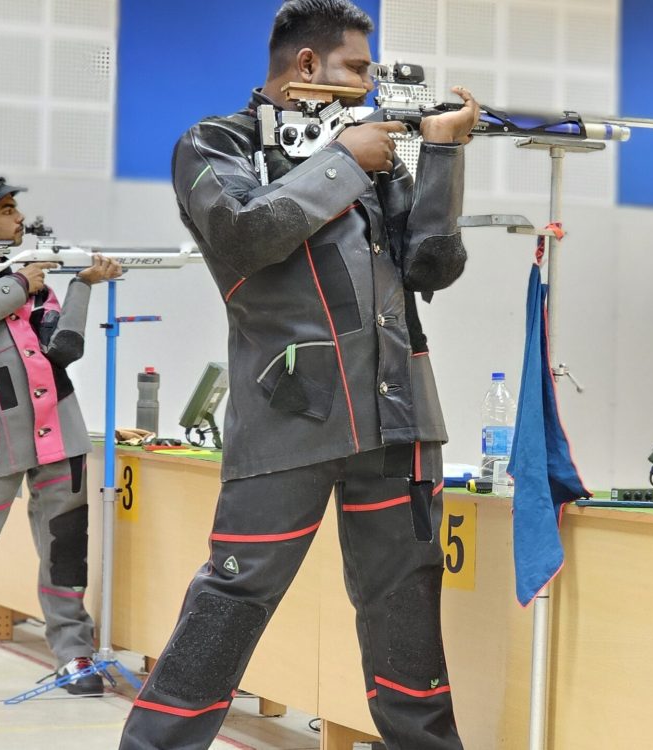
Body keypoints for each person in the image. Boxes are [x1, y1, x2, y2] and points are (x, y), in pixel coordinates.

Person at [118, 0, 478, 747]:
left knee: (406, 618)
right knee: (230, 604)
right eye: (356, 68)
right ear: (307, 65)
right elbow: (244, 236)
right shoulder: (215, 142)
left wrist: (443, 154)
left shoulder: (369, 153)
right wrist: (346, 160)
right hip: (289, 414)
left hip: (398, 419)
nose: (368, 86)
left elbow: (431, 267)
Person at [0, 176, 121, 694]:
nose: (18, 219)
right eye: (5, 211)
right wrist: (21, 283)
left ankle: (75, 655)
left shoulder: (38, 286)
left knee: (66, 549)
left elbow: (63, 350)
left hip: (60, 437)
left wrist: (83, 286)